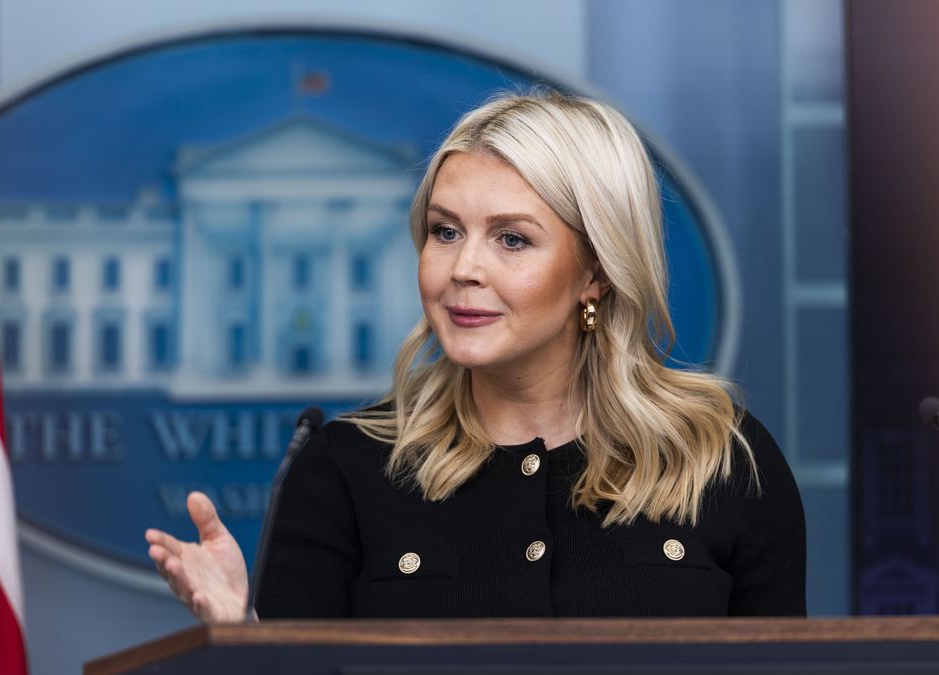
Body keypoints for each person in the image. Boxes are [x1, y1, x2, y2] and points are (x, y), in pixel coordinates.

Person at [145, 90, 806, 622]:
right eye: (445, 231)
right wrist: (242, 639)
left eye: (512, 239)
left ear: (597, 271)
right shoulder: (344, 469)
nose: (462, 268)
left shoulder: (721, 458)